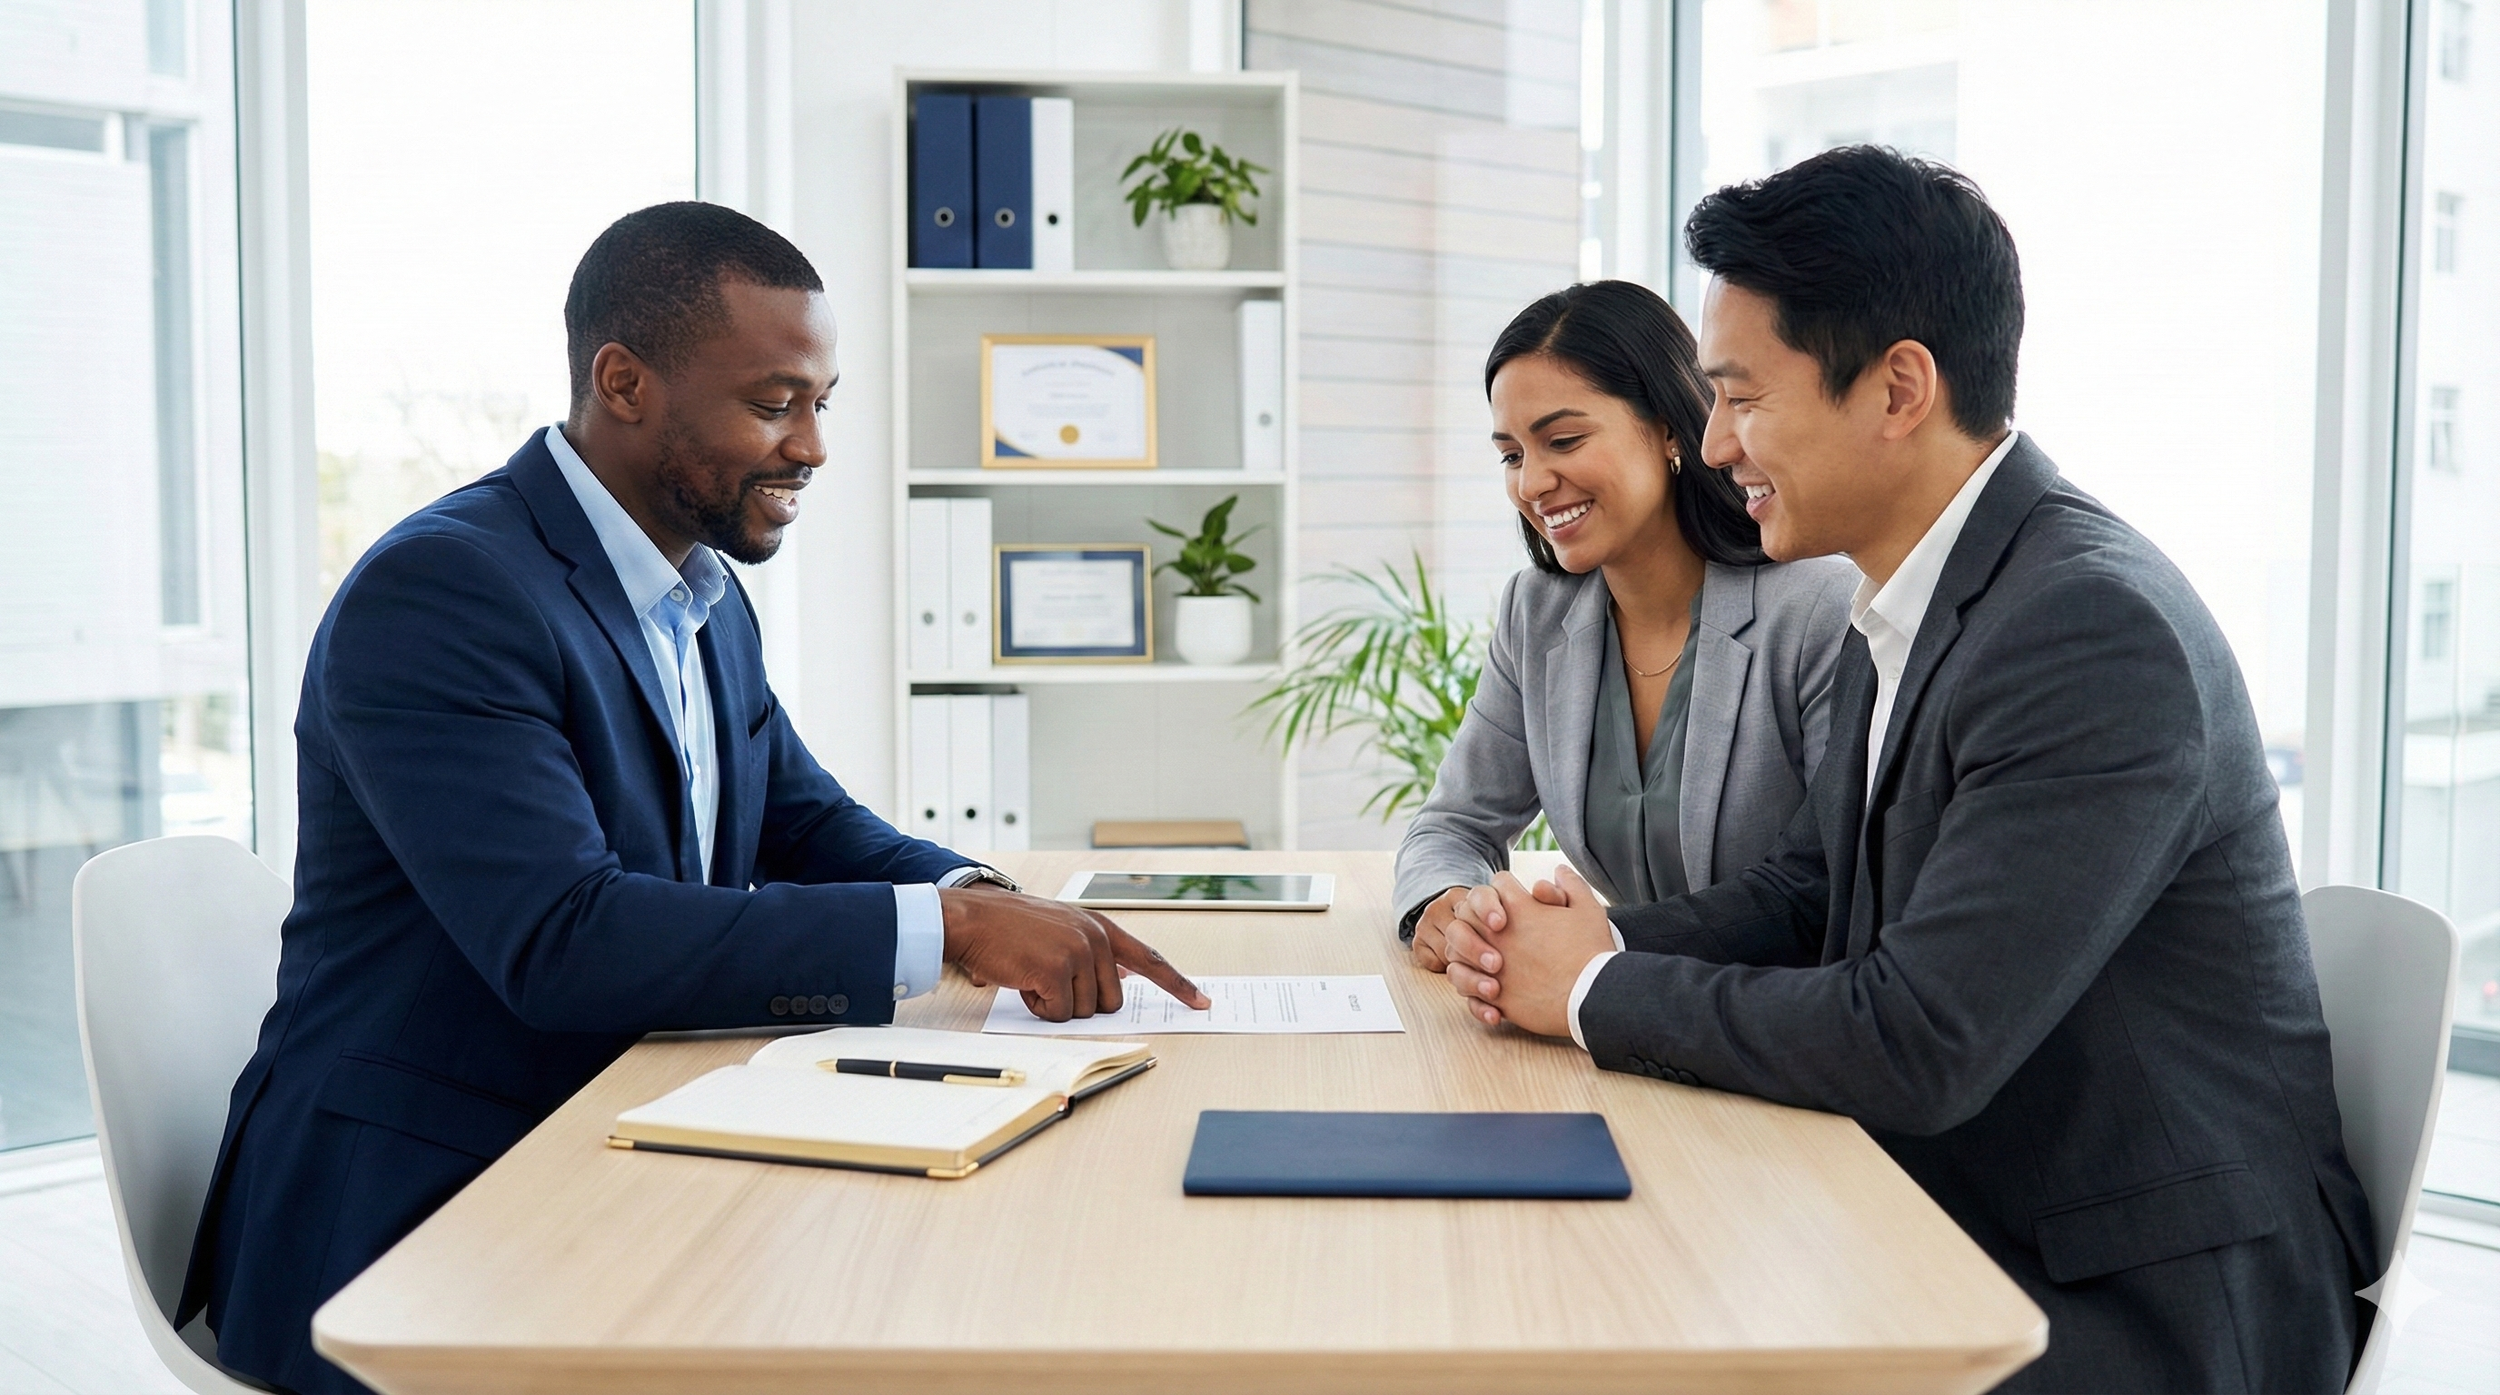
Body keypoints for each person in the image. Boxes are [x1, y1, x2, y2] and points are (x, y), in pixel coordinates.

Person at [177, 202, 1209, 1395]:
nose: (813, 446)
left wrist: (973, 893)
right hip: (418, 1215)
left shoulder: (698, 590)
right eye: (776, 404)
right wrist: (959, 935)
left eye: (823, 403)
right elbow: (564, 938)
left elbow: (797, 818)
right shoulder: (447, 593)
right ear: (623, 382)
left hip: (614, 1134)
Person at [1436, 148, 2374, 1393]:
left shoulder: (2086, 628)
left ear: (1896, 389)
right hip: (1961, 1210)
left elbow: (1923, 1039)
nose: (1715, 444)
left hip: (2136, 1300)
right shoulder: (1929, 596)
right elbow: (1808, 890)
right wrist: (1591, 943)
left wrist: (1599, 993)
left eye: (1741, 398)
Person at [1394, 281, 1854, 966]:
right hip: (1620, 1019)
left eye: (1564, 439)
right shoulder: (1537, 612)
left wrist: (1599, 948)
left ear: (1670, 427)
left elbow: (1832, 892)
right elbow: (1456, 821)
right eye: (1513, 455)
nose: (1531, 483)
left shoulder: (1816, 609)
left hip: (1771, 1028)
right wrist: (1451, 900)